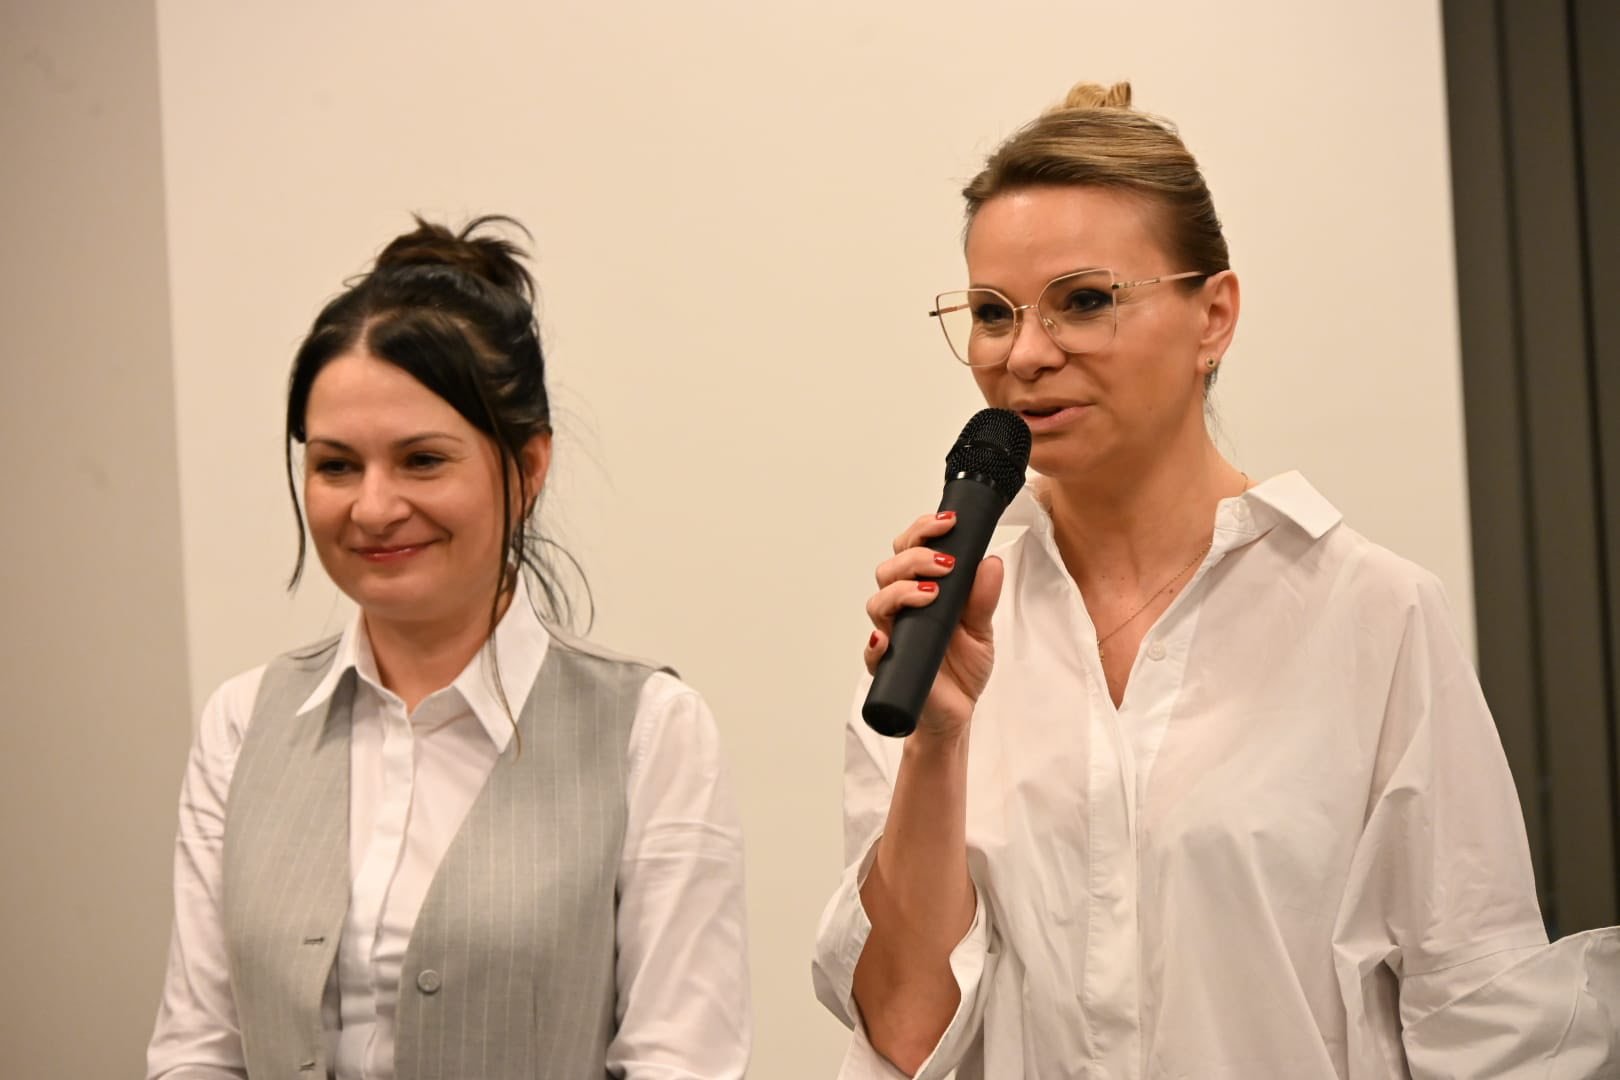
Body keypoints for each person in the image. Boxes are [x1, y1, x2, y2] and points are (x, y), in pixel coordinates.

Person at [812, 81, 1618, 1079]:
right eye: (991, 313)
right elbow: (903, 1035)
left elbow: (1483, 1023)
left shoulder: (1370, 614)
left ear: (1214, 316)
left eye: (1084, 301)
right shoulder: (936, 624)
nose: (1024, 354)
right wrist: (938, 744)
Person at [148, 216, 751, 1079]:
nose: (374, 507)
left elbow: (680, 1062)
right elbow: (197, 1048)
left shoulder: (651, 733)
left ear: (527, 468)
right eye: (336, 465)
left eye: (423, 460)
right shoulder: (242, 726)